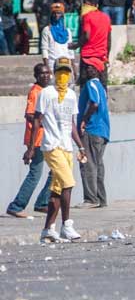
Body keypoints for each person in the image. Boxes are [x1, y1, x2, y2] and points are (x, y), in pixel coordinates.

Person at [24, 56, 87, 243]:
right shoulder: (47, 93)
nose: (63, 75)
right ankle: (67, 225)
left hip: (67, 147)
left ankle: (48, 230)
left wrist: (81, 146)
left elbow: (72, 124)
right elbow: (36, 120)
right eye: (60, 72)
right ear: (54, 73)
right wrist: (31, 148)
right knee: (69, 183)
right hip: (51, 146)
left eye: (66, 72)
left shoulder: (70, 95)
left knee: (57, 191)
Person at [6, 63, 52, 218]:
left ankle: (42, 202)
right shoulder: (35, 92)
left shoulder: (47, 91)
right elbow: (30, 115)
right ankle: (17, 205)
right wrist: (47, 119)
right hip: (37, 140)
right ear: (36, 76)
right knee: (35, 174)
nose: (45, 76)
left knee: (57, 171)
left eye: (47, 73)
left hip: (47, 138)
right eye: (42, 74)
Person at [77, 63, 110, 208]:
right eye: (87, 67)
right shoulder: (101, 87)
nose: (88, 69)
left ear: (97, 71)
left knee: (88, 163)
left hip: (92, 129)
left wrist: (84, 119)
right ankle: (101, 199)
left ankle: (91, 199)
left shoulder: (91, 84)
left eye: (91, 67)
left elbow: (94, 103)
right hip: (102, 131)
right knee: (98, 164)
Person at [72, 0, 111, 88]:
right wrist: (107, 57)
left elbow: (86, 36)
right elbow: (109, 40)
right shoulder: (106, 17)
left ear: (87, 3)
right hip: (101, 59)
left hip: (88, 59)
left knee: (86, 89)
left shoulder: (87, 17)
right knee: (102, 89)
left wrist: (75, 45)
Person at [40, 2, 73, 73]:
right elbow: (44, 49)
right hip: (52, 64)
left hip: (66, 64)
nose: (56, 15)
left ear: (62, 15)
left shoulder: (67, 31)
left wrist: (74, 68)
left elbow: (70, 51)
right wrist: (47, 67)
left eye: (59, 13)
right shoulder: (47, 30)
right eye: (54, 13)